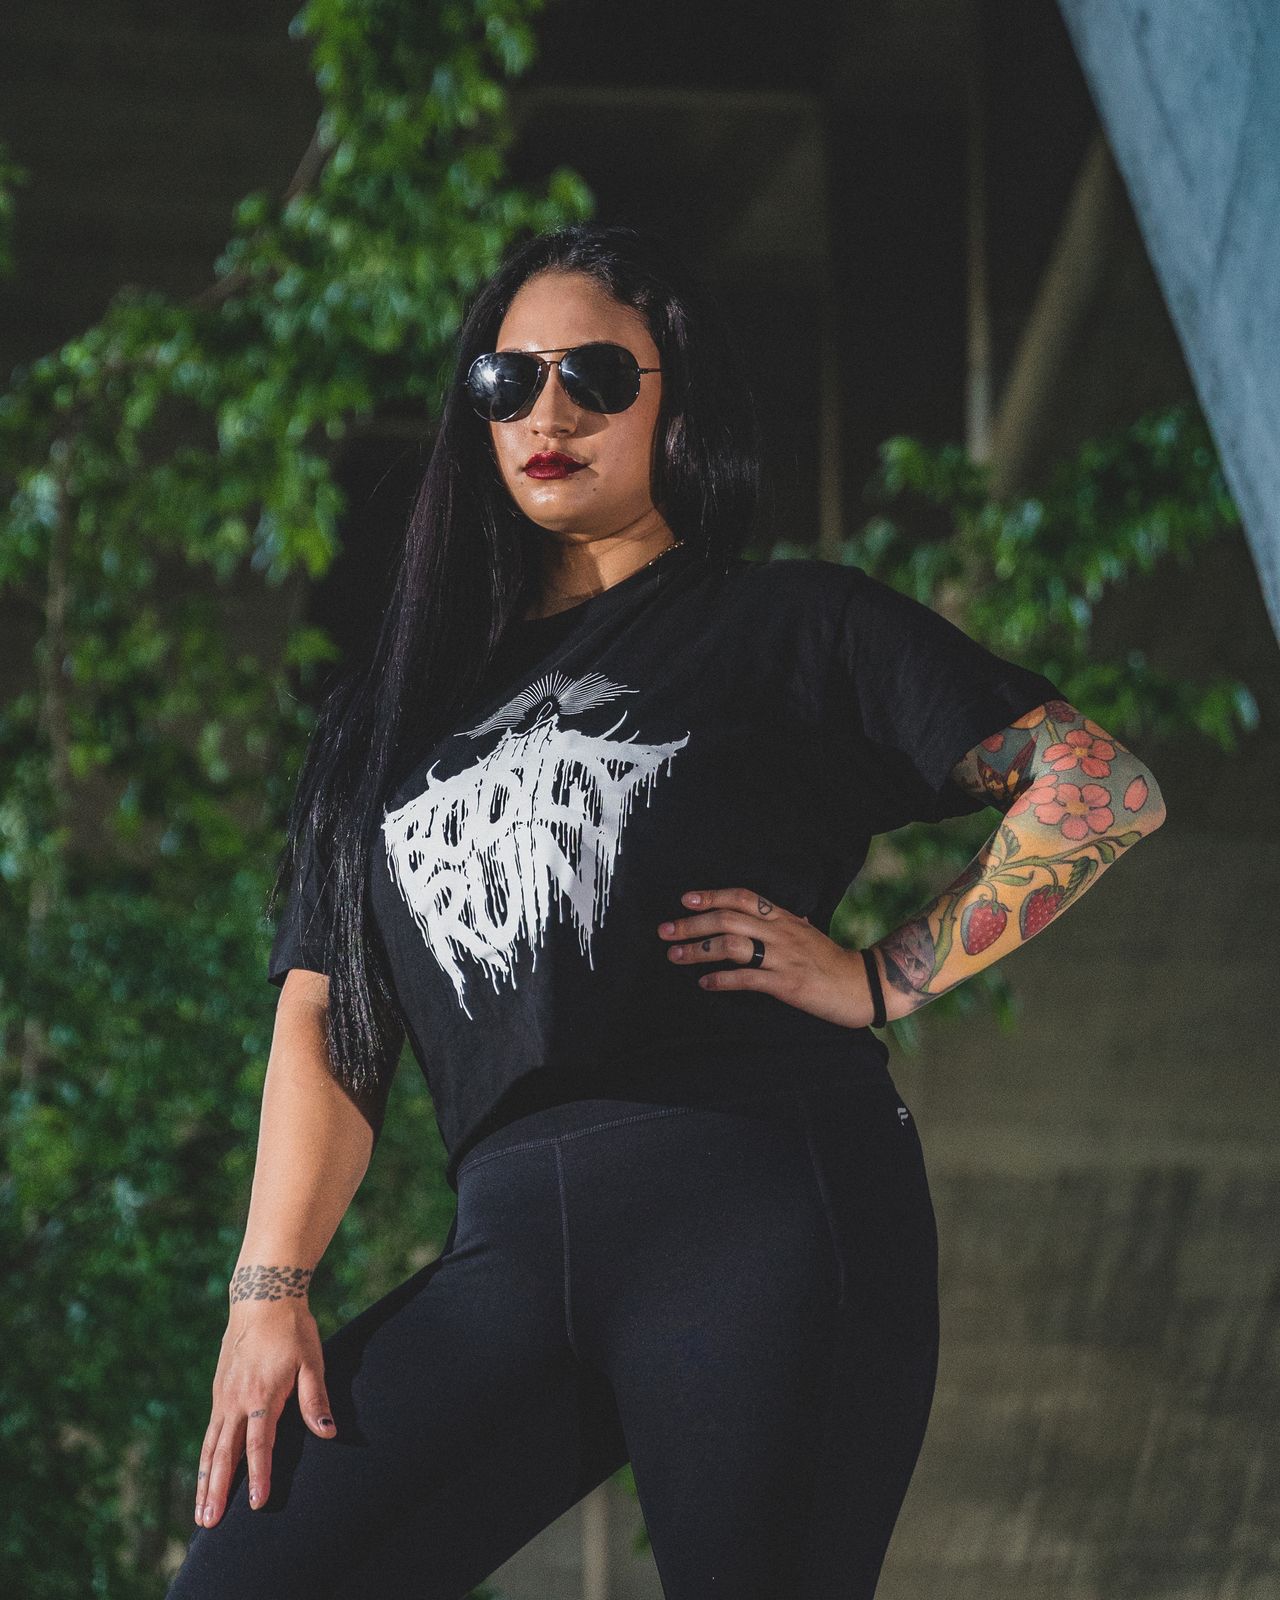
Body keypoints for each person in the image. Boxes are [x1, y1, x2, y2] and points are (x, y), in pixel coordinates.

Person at [166, 221, 1166, 1599]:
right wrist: (268, 1293)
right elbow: (328, 1016)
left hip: (758, 1204)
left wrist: (884, 977)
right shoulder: (381, 719)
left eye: (594, 376)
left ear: (673, 404)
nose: (549, 413)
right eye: (509, 381)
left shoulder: (789, 625)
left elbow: (1099, 789)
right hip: (513, 1242)